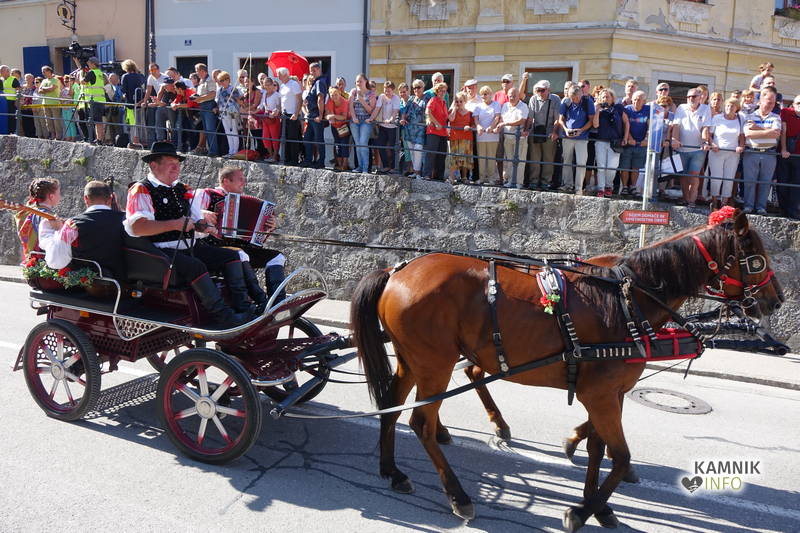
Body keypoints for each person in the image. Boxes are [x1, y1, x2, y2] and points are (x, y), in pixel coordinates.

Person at [125, 142, 252, 327]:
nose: (176, 168)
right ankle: (224, 317)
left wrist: (203, 227)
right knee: (196, 266)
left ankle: (243, 308)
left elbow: (195, 221)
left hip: (189, 247)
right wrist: (174, 225)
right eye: (171, 164)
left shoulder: (183, 189)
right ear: (154, 165)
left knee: (231, 256)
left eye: (178, 164)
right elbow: (138, 228)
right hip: (159, 252)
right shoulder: (141, 189)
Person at [194, 167, 279, 309]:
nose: (244, 183)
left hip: (239, 249)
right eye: (240, 179)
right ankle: (260, 301)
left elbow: (256, 236)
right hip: (210, 247)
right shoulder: (207, 194)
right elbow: (188, 210)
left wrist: (268, 226)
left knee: (276, 257)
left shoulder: (243, 201)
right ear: (226, 181)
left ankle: (277, 301)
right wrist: (202, 213)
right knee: (239, 254)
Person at [38, 181, 127, 278]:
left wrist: (58, 230)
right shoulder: (125, 220)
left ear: (86, 199)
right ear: (110, 199)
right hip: (121, 281)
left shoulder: (72, 224)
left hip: (84, 283)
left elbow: (56, 262)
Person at [743, 87, 782, 215]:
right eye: (769, 102)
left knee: (765, 182)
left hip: (769, 153)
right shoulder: (750, 116)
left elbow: (776, 134)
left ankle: (761, 207)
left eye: (773, 103)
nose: (771, 105)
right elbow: (748, 134)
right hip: (751, 152)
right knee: (749, 182)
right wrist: (768, 131)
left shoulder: (776, 117)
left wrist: (757, 128)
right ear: (760, 101)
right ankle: (748, 206)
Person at [671, 87, 711, 207]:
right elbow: (676, 126)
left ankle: (692, 201)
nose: (690, 99)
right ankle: (686, 198)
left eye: (693, 96)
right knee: (683, 176)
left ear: (700, 97)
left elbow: (705, 127)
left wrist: (705, 141)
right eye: (688, 96)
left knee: (694, 175)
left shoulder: (705, 108)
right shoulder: (681, 107)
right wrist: (674, 140)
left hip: (698, 149)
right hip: (682, 148)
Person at [703, 97, 745, 211]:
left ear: (736, 108)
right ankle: (714, 203)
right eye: (727, 105)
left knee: (729, 179)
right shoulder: (717, 118)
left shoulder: (740, 118)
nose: (729, 108)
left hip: (733, 154)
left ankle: (724, 204)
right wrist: (712, 144)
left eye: (732, 106)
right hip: (717, 152)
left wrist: (741, 146)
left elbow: (742, 135)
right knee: (716, 179)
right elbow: (709, 134)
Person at [558, 85, 595, 194]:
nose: (575, 100)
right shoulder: (566, 102)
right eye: (572, 98)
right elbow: (561, 119)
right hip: (568, 136)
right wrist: (566, 129)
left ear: (581, 94)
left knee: (581, 162)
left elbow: (591, 120)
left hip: (582, 138)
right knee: (566, 161)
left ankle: (579, 188)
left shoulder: (588, 102)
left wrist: (581, 130)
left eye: (577, 98)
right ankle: (567, 185)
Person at [592, 88, 628, 198]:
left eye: (607, 96)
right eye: (603, 97)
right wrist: (597, 110)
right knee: (601, 167)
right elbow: (595, 125)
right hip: (601, 141)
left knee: (612, 167)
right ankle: (601, 188)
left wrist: (625, 137)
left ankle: (609, 186)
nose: (605, 98)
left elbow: (626, 122)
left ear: (612, 98)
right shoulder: (599, 110)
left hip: (615, 142)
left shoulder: (619, 108)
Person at [526, 79, 561, 190]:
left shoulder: (555, 99)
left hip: (549, 132)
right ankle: (533, 181)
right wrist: (526, 130)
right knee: (534, 158)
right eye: (538, 90)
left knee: (548, 159)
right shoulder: (533, 98)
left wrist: (554, 132)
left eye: (542, 90)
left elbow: (557, 119)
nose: (540, 92)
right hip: (535, 132)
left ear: (548, 90)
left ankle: (546, 182)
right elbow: (530, 117)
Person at [16, 178, 61, 261]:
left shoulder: (26, 213)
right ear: (51, 196)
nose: (60, 196)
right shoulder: (49, 217)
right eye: (59, 193)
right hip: (44, 262)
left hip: (29, 260)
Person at [497, 87, 529, 188]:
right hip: (507, 136)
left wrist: (506, 123)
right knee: (510, 160)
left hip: (519, 138)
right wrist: (499, 126)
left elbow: (522, 120)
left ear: (518, 96)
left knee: (519, 160)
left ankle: (518, 182)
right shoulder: (505, 105)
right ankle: (511, 181)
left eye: (514, 96)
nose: (512, 98)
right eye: (510, 96)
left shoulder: (523, 106)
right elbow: (502, 118)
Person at [620, 90, 650, 197]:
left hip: (641, 143)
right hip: (629, 142)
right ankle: (624, 187)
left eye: (639, 100)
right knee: (625, 166)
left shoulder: (648, 109)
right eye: (634, 99)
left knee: (636, 167)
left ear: (644, 101)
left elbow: (650, 125)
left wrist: (646, 139)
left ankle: (633, 186)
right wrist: (630, 138)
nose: (636, 102)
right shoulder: (627, 109)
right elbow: (624, 124)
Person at [473, 85, 501, 185]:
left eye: (485, 94)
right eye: (482, 94)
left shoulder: (496, 104)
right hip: (481, 135)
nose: (483, 96)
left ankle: (491, 178)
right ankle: (481, 178)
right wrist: (478, 126)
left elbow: (497, 117)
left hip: (492, 136)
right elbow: (476, 119)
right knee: (481, 158)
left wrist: (491, 127)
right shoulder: (478, 106)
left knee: (491, 157)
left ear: (490, 94)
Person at [349, 73, 377, 174]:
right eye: (357, 81)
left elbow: (371, 110)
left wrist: (361, 100)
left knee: (363, 143)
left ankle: (365, 168)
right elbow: (350, 106)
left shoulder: (371, 94)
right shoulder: (353, 91)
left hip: (366, 121)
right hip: (355, 121)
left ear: (366, 81)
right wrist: (353, 117)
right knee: (357, 144)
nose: (358, 83)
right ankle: (360, 167)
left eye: (360, 81)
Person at [371, 80, 401, 174]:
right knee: (380, 145)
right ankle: (386, 166)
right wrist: (371, 118)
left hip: (392, 127)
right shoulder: (381, 96)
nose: (386, 92)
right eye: (385, 90)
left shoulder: (396, 98)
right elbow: (377, 109)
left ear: (393, 90)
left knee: (392, 148)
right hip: (383, 126)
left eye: (388, 90)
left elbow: (395, 112)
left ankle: (393, 167)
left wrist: (391, 119)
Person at [302, 62, 328, 168]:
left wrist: (320, 116)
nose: (311, 73)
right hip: (311, 115)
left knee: (318, 139)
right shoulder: (316, 82)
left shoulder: (320, 82)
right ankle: (308, 160)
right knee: (307, 138)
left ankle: (321, 162)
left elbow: (320, 99)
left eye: (313, 70)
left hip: (316, 114)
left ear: (318, 70)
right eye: (310, 71)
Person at [190, 63, 219, 157]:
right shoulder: (202, 81)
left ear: (202, 71)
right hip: (202, 106)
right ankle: (210, 150)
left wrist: (200, 98)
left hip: (209, 105)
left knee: (210, 129)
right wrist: (196, 97)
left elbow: (212, 94)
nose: (196, 73)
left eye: (197, 71)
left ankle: (213, 151)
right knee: (206, 130)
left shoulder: (210, 80)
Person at [276, 66, 303, 165]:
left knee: (293, 137)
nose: (278, 77)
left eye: (279, 75)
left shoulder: (294, 84)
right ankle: (286, 158)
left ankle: (294, 160)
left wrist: (296, 113)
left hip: (292, 114)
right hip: (284, 114)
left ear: (285, 75)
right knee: (285, 137)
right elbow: (281, 100)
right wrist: (278, 110)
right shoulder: (282, 86)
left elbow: (299, 99)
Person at [423, 82, 449, 180]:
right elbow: (427, 112)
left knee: (442, 155)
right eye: (440, 91)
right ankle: (427, 174)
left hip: (443, 132)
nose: (442, 93)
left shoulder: (444, 102)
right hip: (433, 131)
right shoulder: (433, 100)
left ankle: (439, 176)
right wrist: (436, 123)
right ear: (436, 92)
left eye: (444, 91)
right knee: (430, 154)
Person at [400, 80, 427, 179]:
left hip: (420, 129)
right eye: (414, 88)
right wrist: (403, 119)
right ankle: (415, 172)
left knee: (418, 150)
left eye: (418, 87)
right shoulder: (411, 99)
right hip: (409, 129)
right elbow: (404, 111)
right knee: (411, 151)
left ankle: (418, 173)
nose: (416, 89)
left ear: (423, 88)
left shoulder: (426, 98)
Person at [779, 95, 800, 220]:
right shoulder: (786, 112)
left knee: (796, 185)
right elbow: (783, 131)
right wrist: (783, 149)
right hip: (785, 154)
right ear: (793, 104)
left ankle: (793, 211)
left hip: (798, 156)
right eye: (798, 103)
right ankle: (783, 210)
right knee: (782, 182)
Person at [447, 91, 473, 184]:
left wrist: (469, 127)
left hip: (466, 137)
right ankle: (451, 177)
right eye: (457, 101)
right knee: (454, 158)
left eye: (461, 101)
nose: (459, 103)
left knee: (465, 158)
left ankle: (464, 177)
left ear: (465, 101)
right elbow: (451, 119)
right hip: (455, 137)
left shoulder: (470, 113)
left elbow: (473, 124)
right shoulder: (452, 111)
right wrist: (454, 108)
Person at [120, 59, 146, 147]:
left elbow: (123, 89)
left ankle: (133, 141)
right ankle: (143, 141)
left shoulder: (125, 76)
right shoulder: (141, 76)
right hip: (141, 102)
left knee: (132, 123)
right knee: (141, 122)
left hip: (130, 103)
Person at [215, 71, 242, 156]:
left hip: (232, 113)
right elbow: (218, 101)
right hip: (223, 113)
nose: (223, 82)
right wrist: (216, 108)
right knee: (228, 133)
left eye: (225, 80)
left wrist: (233, 96)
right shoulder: (219, 90)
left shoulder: (233, 89)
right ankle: (230, 151)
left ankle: (235, 152)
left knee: (234, 132)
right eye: (221, 80)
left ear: (228, 80)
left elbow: (239, 101)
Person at [326, 86, 351, 172]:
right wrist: (333, 117)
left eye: (335, 94)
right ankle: (340, 165)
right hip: (334, 126)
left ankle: (345, 165)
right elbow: (328, 115)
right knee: (337, 145)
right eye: (332, 95)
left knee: (344, 144)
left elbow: (344, 117)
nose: (334, 97)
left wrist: (333, 116)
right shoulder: (330, 101)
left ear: (339, 93)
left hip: (344, 126)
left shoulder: (344, 102)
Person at [259, 77, 282, 162]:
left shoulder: (277, 95)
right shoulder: (264, 94)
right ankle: (271, 154)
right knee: (265, 138)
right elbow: (261, 105)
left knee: (275, 137)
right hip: (266, 117)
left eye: (269, 85)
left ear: (272, 85)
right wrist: (253, 110)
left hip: (274, 118)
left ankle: (275, 156)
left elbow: (279, 106)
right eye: (266, 85)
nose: (268, 87)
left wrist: (275, 112)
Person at [171, 81, 197, 152]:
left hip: (195, 114)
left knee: (192, 132)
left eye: (175, 88)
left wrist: (177, 106)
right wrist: (173, 105)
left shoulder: (189, 92)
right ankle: (185, 149)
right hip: (187, 115)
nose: (174, 90)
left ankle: (193, 149)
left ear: (179, 89)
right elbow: (174, 102)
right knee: (185, 132)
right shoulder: (180, 94)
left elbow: (189, 105)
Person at [39, 66, 63, 140]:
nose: (43, 73)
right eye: (42, 72)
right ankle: (52, 135)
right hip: (45, 103)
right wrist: (46, 89)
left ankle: (58, 136)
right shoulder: (43, 81)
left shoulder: (55, 80)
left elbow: (52, 89)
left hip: (54, 103)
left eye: (44, 71)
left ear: (49, 71)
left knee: (56, 120)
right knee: (48, 121)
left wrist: (44, 89)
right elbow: (39, 91)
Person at [154, 78, 177, 143]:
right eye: (164, 85)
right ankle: (160, 140)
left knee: (169, 111)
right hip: (170, 109)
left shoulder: (178, 90)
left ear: (172, 85)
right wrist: (157, 102)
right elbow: (164, 103)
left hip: (178, 111)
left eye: (166, 85)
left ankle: (174, 141)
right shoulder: (166, 91)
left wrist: (158, 103)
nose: (165, 87)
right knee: (159, 110)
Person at [1, 64, 21, 134]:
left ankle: (13, 132)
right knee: (5, 117)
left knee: (11, 117)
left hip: (11, 101)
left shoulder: (13, 79)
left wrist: (17, 100)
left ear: (7, 71)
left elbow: (18, 90)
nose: (0, 73)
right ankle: (7, 131)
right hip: (3, 101)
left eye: (2, 71)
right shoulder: (2, 80)